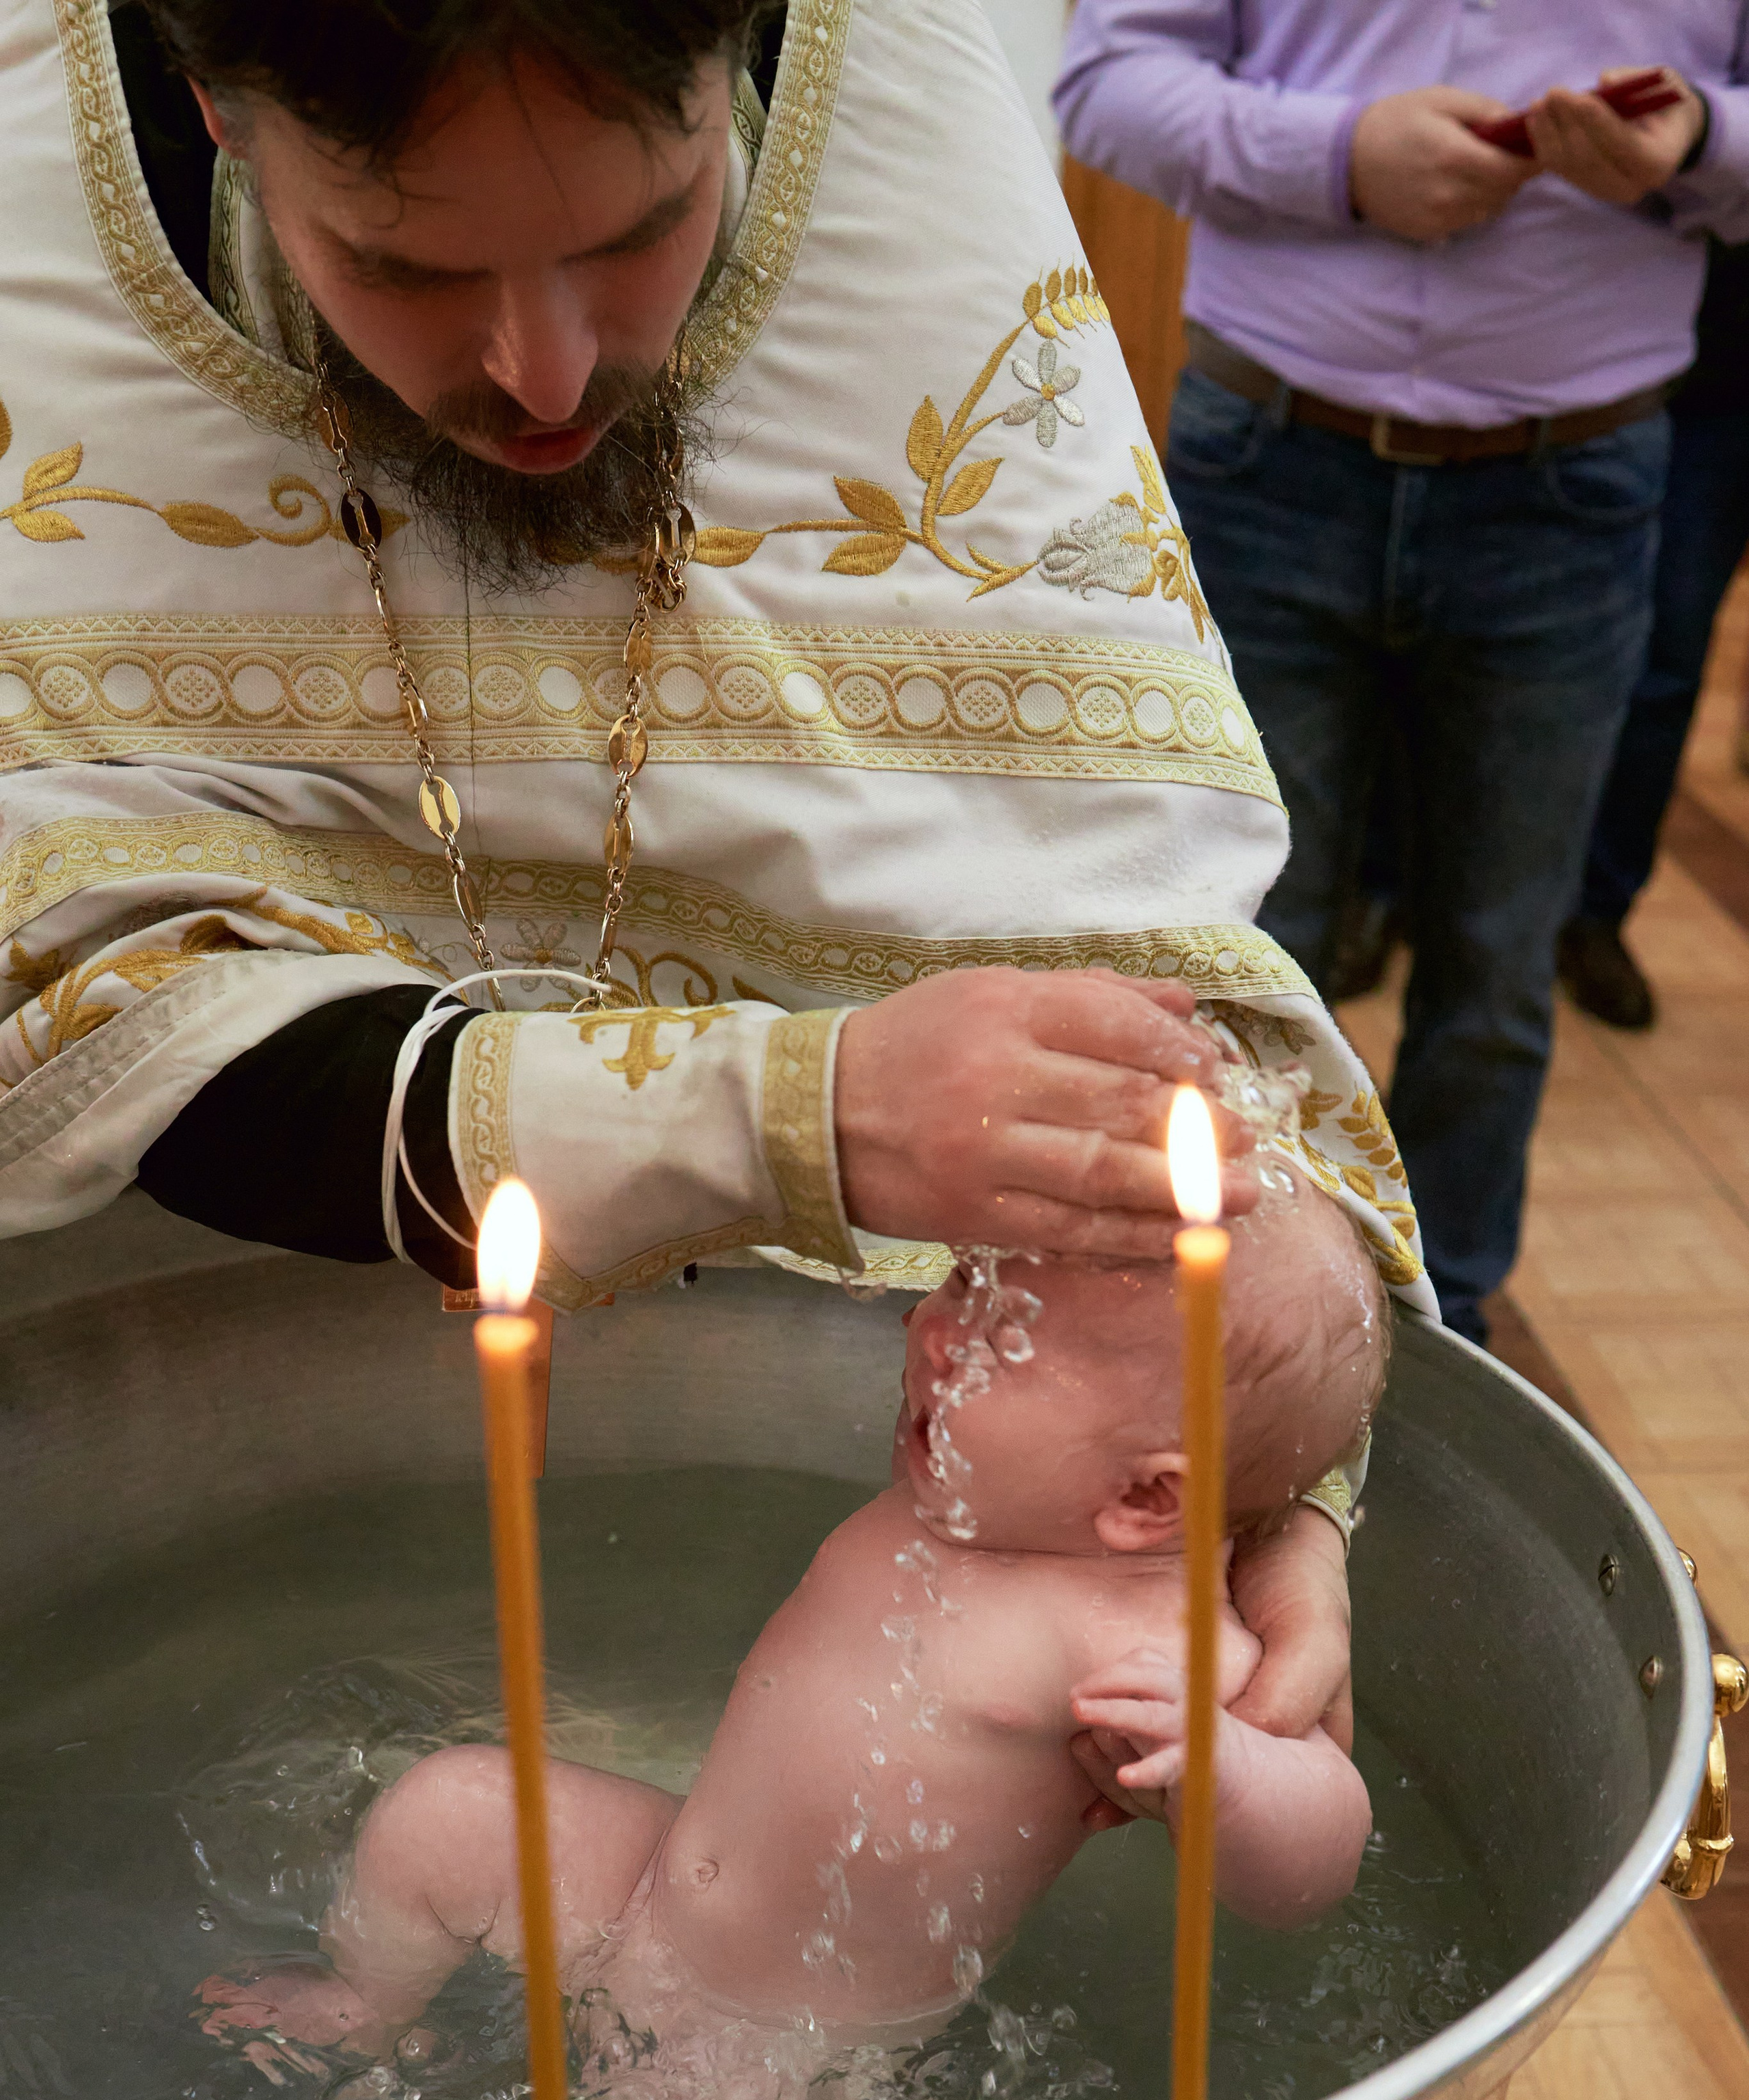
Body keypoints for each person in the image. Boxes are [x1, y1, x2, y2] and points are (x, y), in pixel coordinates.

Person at [0, 0, 1430, 1762]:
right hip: (192, 1423)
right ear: (214, 107)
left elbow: (1162, 989)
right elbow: (69, 989)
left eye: (637, 232)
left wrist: (1267, 1480)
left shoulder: (904, 158)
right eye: (404, 266)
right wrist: (788, 1112)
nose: (544, 368)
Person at [199, 1170, 1383, 2088]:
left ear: (1147, 1500)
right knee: (445, 1812)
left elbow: (1322, 1852)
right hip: (652, 1882)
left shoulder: (1143, 1636)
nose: (932, 1332)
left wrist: (1226, 1773)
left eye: (997, 1339)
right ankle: (362, 2006)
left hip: (778, 2032)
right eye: (960, 1284)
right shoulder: (968, 1497)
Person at [1055, 6, 1749, 1343]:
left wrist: (1700, 138)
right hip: (1267, 458)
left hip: (1575, 485)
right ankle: (1219, 1333)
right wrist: (1332, 155)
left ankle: (1445, 1347)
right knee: (1242, 952)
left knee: (1494, 974)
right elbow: (1103, 81)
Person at [1562, 240, 1749, 1033]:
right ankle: (1389, 882)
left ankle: (1598, 912)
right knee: (1468, 632)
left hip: (1730, 388)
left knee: (1667, 663)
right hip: (1585, 346)